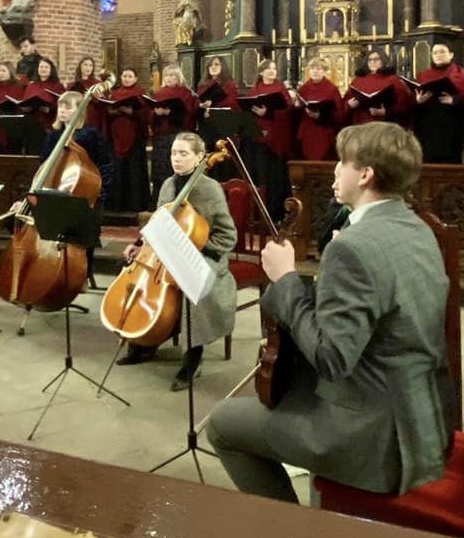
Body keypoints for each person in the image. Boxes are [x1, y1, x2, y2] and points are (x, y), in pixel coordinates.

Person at [206, 122, 452, 502]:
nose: (335, 169)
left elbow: (332, 358)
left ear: (365, 175)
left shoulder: (352, 247)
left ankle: (290, 528)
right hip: (425, 419)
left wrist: (285, 279)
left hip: (373, 437)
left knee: (223, 424)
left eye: (342, 161)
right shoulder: (418, 227)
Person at [115, 133, 237, 389]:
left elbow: (228, 236)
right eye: (173, 153)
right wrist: (139, 245)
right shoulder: (168, 185)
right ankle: (145, 341)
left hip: (204, 255)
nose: (177, 159)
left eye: (184, 153)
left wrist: (195, 244)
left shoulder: (210, 189)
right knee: (135, 275)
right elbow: (158, 222)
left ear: (199, 157)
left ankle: (194, 357)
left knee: (192, 284)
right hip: (166, 253)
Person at [35, 91, 117, 253]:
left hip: (83, 195)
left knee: (81, 243)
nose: (62, 110)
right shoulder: (53, 135)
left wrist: (99, 191)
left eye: (68, 107)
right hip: (57, 192)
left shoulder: (90, 135)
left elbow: (105, 164)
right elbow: (44, 164)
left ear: (80, 111)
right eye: (60, 106)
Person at [240, 58, 296, 212]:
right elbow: (247, 114)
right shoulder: (254, 90)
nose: (272, 71)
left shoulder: (281, 89)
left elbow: (288, 112)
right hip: (258, 139)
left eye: (274, 68)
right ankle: (258, 211)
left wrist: (268, 113)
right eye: (268, 68)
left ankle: (275, 211)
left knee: (275, 176)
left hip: (276, 138)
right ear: (261, 72)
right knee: (259, 175)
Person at [410, 41, 464, 165]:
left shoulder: (460, 74)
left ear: (451, 55)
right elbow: (413, 107)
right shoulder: (424, 75)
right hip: (427, 129)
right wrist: (418, 101)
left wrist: (454, 100)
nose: (438, 55)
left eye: (442, 52)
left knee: (450, 166)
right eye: (435, 52)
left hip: (451, 128)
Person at [147, 64, 198, 200]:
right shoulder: (158, 93)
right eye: (167, 76)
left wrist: (169, 112)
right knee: (160, 170)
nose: (169, 78)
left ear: (178, 77)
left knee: (177, 168)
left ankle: (179, 200)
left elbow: (189, 115)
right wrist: (155, 113)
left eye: (172, 75)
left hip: (178, 136)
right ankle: (159, 200)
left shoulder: (186, 94)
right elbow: (150, 114)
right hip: (161, 137)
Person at [103, 68, 150, 213]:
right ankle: (117, 205)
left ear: (135, 78)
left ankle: (135, 205)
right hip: (116, 136)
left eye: (130, 76)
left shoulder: (140, 93)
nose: (127, 79)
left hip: (135, 138)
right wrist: (112, 112)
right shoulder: (115, 94)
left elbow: (146, 115)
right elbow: (107, 113)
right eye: (124, 76)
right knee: (117, 170)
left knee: (134, 171)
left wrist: (132, 112)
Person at [346, 49, 411, 127]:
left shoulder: (393, 80)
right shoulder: (357, 80)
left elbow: (405, 105)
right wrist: (349, 105)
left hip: (385, 125)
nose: (373, 62)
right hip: (360, 124)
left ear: (383, 61)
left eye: (376, 59)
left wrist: (385, 112)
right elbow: (344, 103)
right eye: (370, 60)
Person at [295, 57, 343, 161]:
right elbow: (296, 115)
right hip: (307, 130)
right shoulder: (303, 89)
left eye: (319, 69)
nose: (315, 71)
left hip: (324, 131)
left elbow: (339, 113)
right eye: (312, 68)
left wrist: (320, 115)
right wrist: (297, 106)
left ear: (324, 71)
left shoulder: (332, 89)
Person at [19, 59, 65, 154]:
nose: (43, 69)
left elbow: (62, 104)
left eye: (46, 67)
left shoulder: (57, 85)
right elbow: (25, 101)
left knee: (48, 151)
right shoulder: (31, 85)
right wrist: (25, 108)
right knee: (33, 152)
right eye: (41, 67)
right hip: (32, 123)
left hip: (49, 123)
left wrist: (50, 109)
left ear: (51, 70)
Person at [0, 61, 26, 153]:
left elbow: (22, 105)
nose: (0, 73)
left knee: (13, 153)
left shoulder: (18, 86)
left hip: (13, 125)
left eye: (3, 71)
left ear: (10, 71)